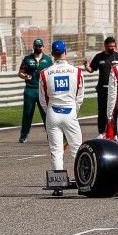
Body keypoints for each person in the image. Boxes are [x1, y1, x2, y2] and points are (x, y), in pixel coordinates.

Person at [38, 40, 83, 175]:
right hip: (70, 112)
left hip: (53, 112)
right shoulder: (77, 71)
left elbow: (42, 99)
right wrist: (74, 111)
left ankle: (58, 184)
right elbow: (79, 97)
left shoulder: (44, 73)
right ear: (65, 52)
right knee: (77, 149)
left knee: (56, 150)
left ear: (52, 54)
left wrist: (49, 111)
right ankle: (81, 179)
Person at [86, 37, 118, 136]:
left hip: (116, 89)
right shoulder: (99, 57)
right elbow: (91, 69)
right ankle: (102, 132)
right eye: (110, 46)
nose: (112, 48)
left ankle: (115, 133)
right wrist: (86, 66)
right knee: (102, 111)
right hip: (102, 88)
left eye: (113, 46)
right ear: (105, 45)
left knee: (116, 111)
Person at [17, 39, 52, 144]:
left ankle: (50, 135)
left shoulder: (48, 60)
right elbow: (20, 73)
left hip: (43, 90)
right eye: (36, 46)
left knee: (46, 114)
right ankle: (23, 135)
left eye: (40, 46)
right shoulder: (27, 59)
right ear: (33, 46)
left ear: (43, 47)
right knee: (27, 113)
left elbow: (52, 74)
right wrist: (25, 76)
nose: (38, 47)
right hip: (30, 90)